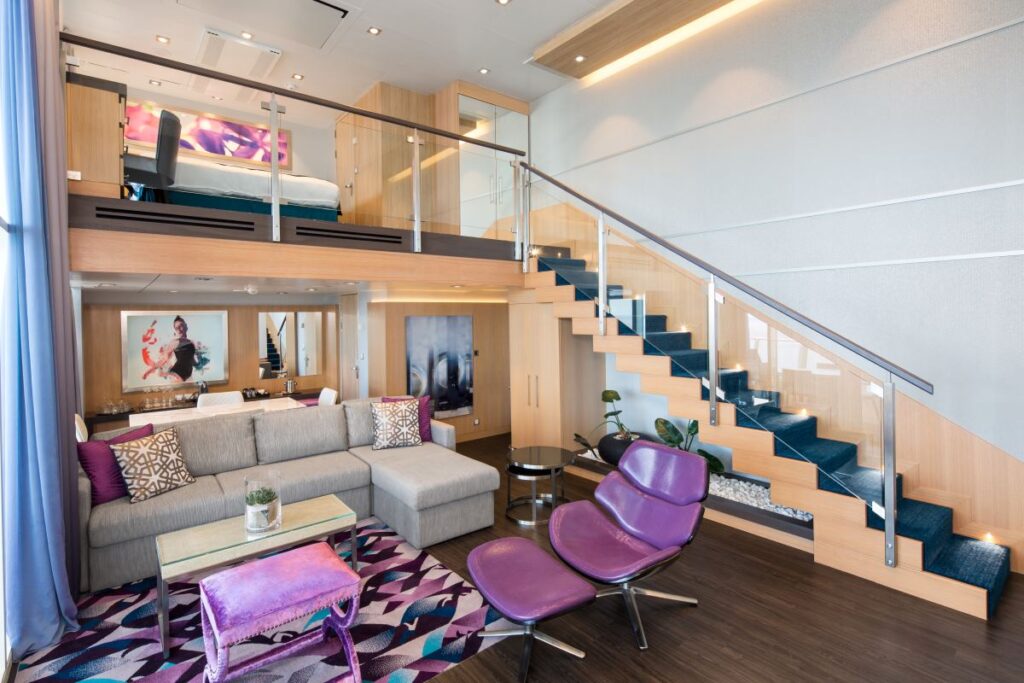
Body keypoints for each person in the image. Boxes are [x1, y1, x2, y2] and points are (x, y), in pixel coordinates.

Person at [142, 315, 197, 382]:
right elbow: (163, 360)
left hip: (187, 377)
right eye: (176, 328)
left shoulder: (191, 342)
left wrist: (199, 364)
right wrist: (148, 372)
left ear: (186, 326)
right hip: (176, 375)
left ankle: (162, 374)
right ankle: (161, 374)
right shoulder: (175, 342)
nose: (179, 329)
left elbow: (192, 360)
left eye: (180, 326)